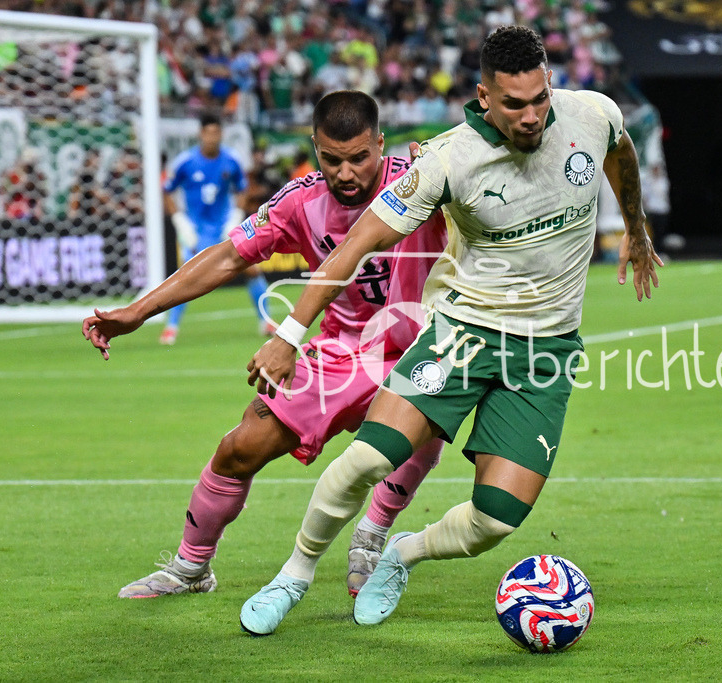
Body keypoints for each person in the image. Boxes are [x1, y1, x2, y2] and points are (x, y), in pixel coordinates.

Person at [237, 25, 662, 636]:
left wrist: (637, 229)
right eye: (514, 103)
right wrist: (289, 335)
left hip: (546, 351)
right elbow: (355, 246)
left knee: (496, 521)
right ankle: (295, 575)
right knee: (364, 460)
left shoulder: (592, 114)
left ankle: (400, 555)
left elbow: (619, 151)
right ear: (484, 95)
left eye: (539, 98)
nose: (530, 116)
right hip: (463, 333)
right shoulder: (444, 160)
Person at [82, 90, 448, 598]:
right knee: (239, 448)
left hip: (418, 351)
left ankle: (372, 533)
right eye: (332, 159)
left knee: (424, 426)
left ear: (381, 145)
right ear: (315, 150)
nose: (346, 173)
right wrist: (137, 312)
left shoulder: (424, 176)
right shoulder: (300, 202)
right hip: (340, 351)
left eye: (360, 158)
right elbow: (228, 258)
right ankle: (192, 568)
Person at [160, 111, 269, 345]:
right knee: (186, 275)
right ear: (201, 134)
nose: (212, 137)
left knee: (250, 268)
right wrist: (180, 221)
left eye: (216, 132)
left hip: (223, 227)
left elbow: (243, 188)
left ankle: (266, 320)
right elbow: (167, 191)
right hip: (196, 230)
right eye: (208, 133)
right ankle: (171, 327)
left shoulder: (231, 160)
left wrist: (236, 216)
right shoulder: (186, 162)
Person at [640, 162, 670, 253]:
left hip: (662, 210)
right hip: (653, 210)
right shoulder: (648, 181)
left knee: (660, 232)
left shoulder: (663, 181)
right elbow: (644, 196)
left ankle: (660, 251)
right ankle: (652, 251)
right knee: (652, 232)